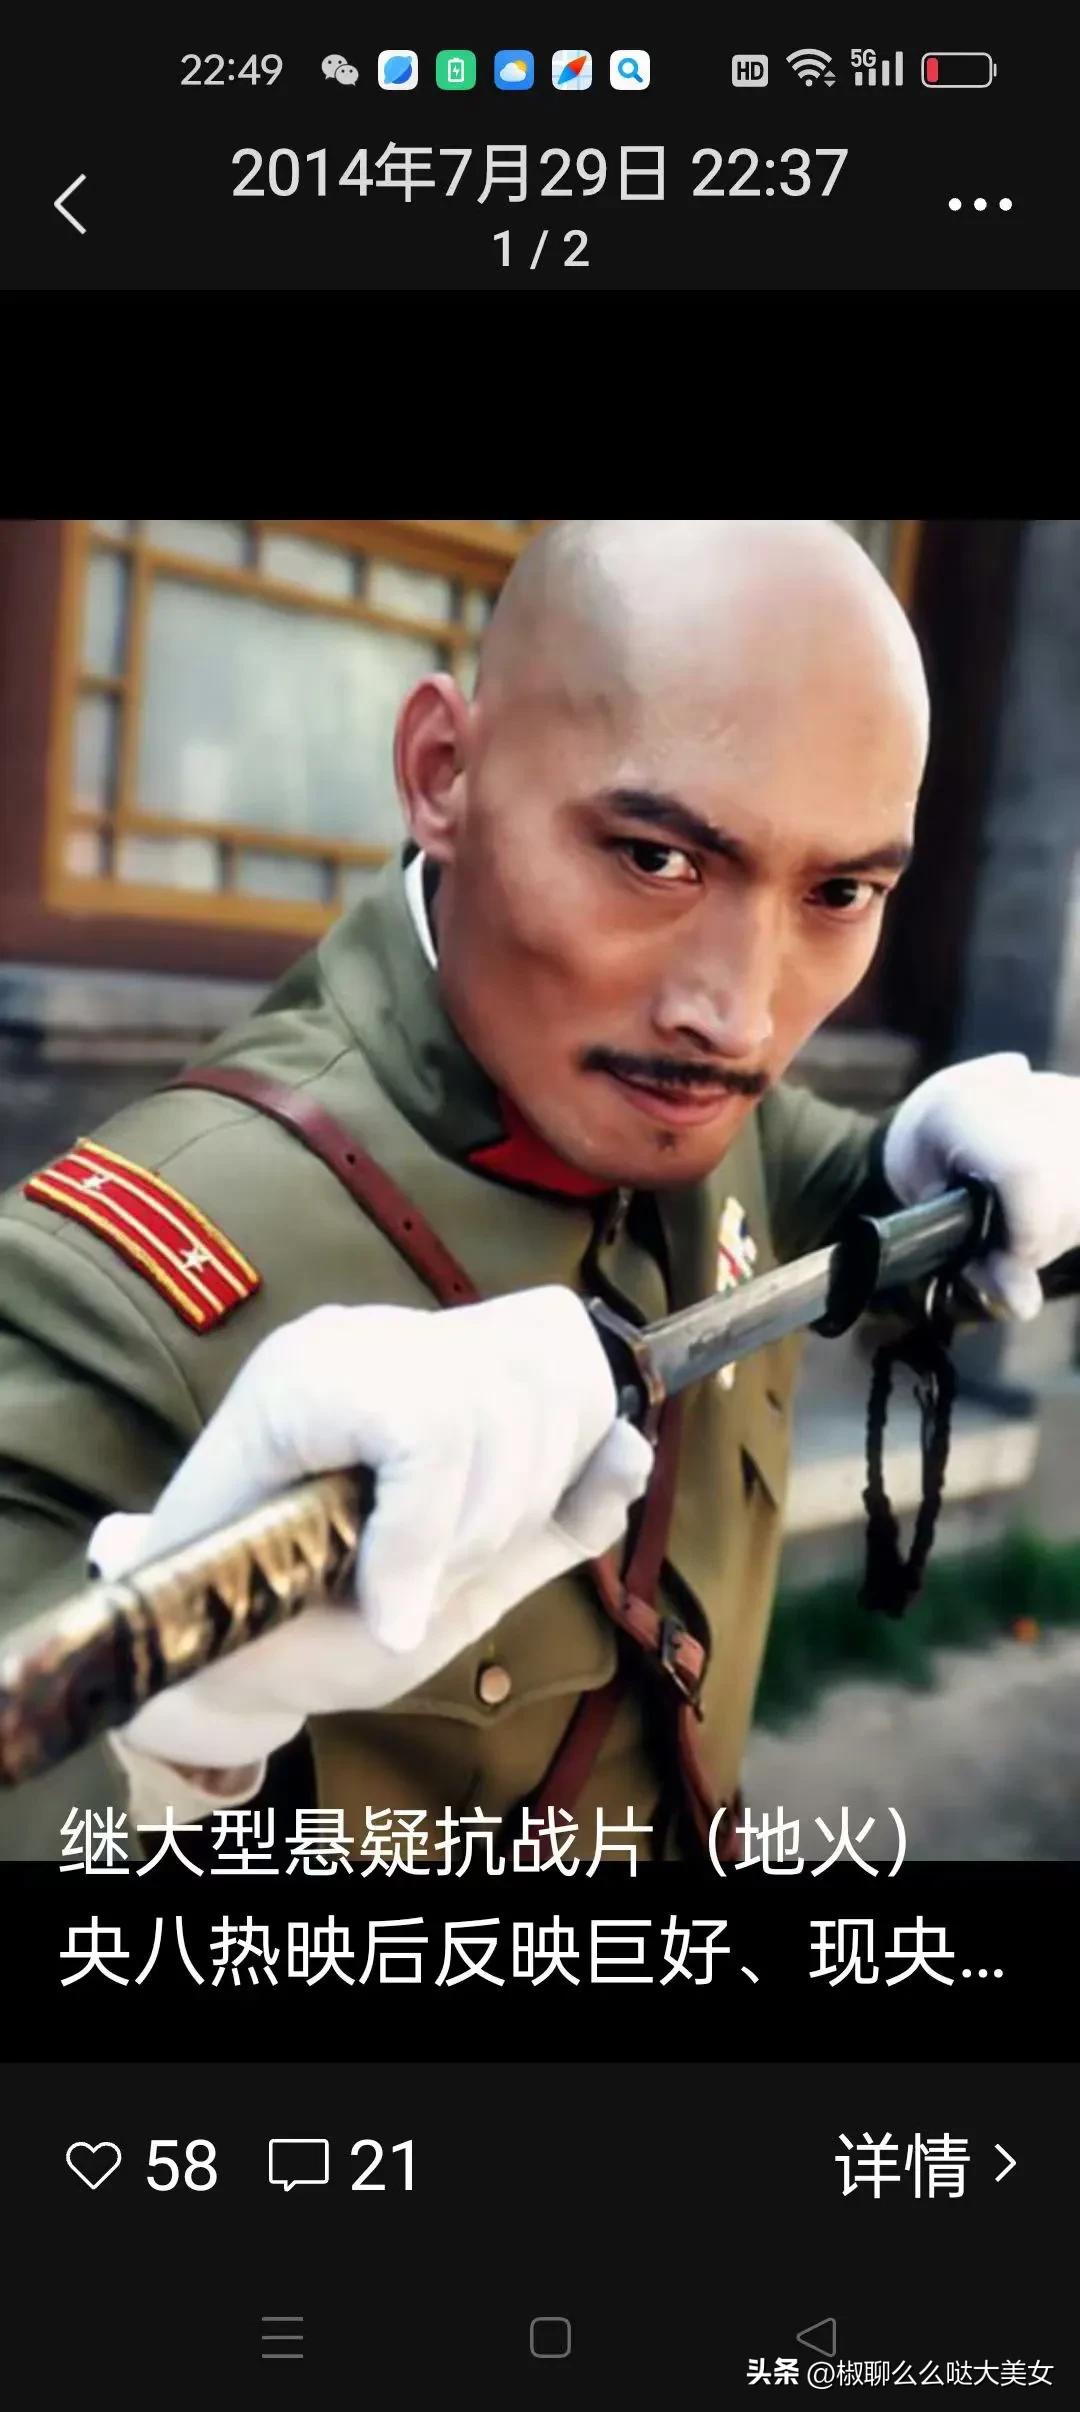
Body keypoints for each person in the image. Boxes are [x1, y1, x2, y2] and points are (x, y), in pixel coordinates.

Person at [1, 519, 1078, 1861]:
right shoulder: (123, 1273)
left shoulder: (705, 1110)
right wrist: (173, 1735)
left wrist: (963, 1156)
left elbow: (877, 1210)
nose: (740, 1014)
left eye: (841, 891)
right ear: (442, 773)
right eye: (654, 859)